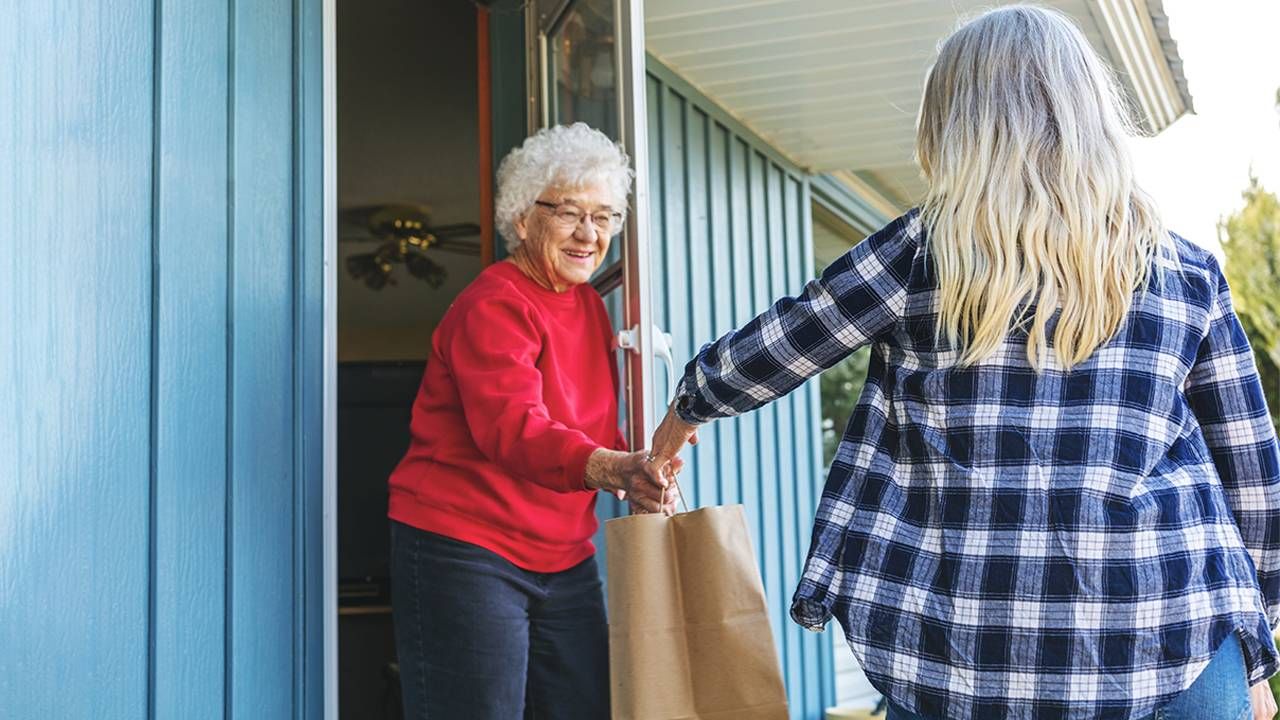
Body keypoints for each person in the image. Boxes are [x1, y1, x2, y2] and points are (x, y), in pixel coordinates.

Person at [645, 6, 1280, 720]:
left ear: (954, 120)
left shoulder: (918, 256)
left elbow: (783, 341)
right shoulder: (1183, 272)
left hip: (961, 660)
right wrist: (1257, 645)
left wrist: (678, 417)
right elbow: (1254, 481)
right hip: (1172, 645)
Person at [387, 122, 677, 720]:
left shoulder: (591, 307)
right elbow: (514, 428)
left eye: (604, 217)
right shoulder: (495, 303)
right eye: (569, 213)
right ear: (523, 218)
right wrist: (614, 469)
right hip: (465, 546)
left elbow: (592, 423)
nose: (588, 234)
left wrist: (642, 471)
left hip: (563, 555)